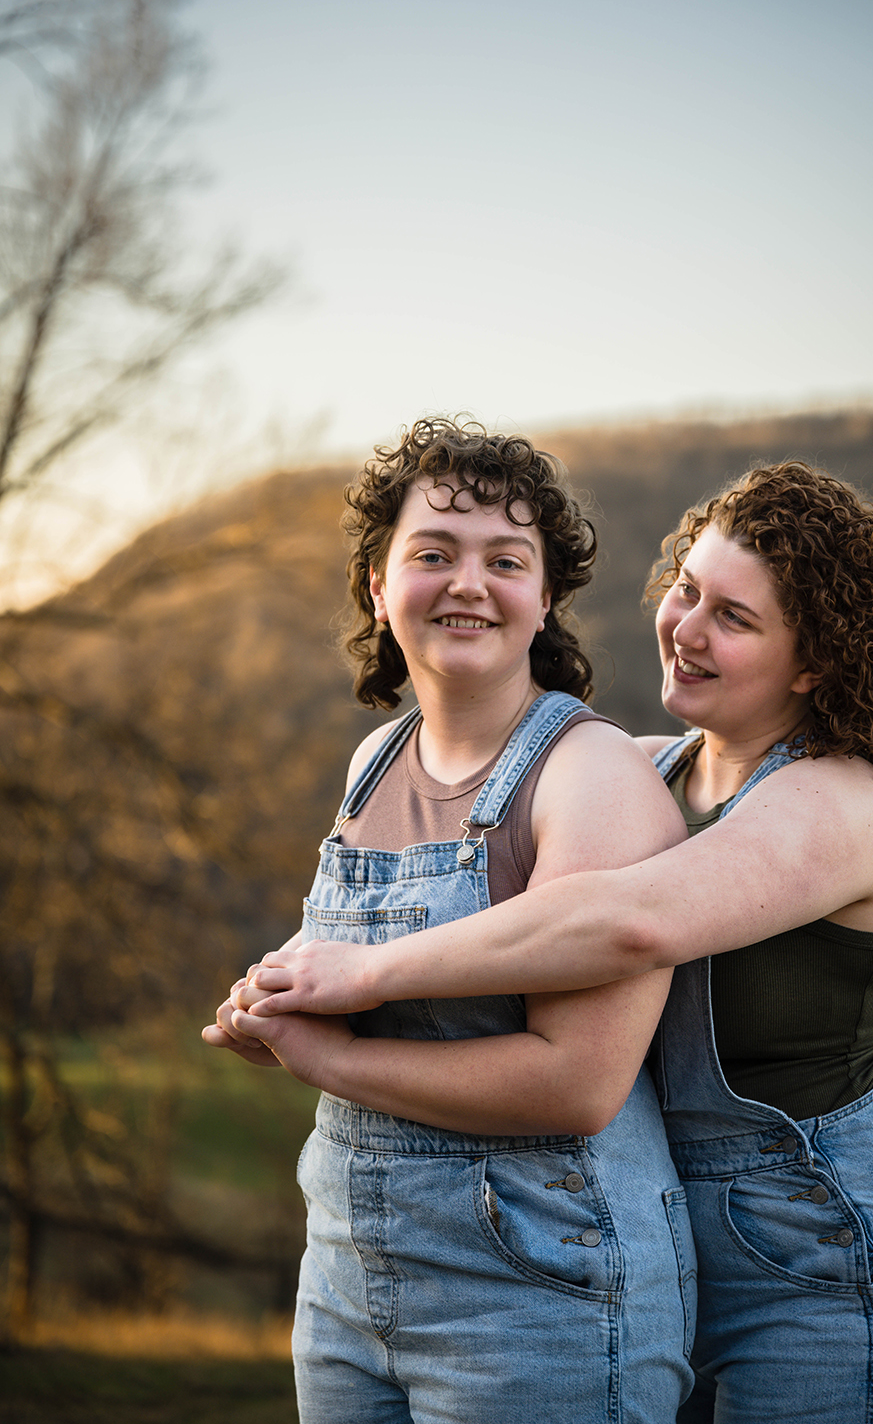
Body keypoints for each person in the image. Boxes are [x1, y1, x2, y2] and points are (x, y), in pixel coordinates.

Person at [233, 460, 873, 1422]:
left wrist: (361, 975)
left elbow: (625, 924)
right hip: (680, 1240)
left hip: (835, 1258)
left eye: (735, 619)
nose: (686, 629)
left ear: (816, 663)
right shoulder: (647, 768)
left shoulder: (842, 801)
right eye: (686, 589)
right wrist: (283, 978)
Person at [204, 418, 697, 1423]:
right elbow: (347, 968)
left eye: (504, 560)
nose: (466, 582)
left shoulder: (590, 778)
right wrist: (272, 1003)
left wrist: (322, 1060)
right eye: (431, 553)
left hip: (541, 1294)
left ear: (544, 596)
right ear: (378, 588)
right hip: (347, 1281)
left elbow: (575, 1082)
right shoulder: (372, 762)